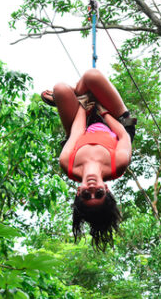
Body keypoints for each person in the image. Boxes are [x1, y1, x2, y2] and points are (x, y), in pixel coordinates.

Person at [41, 69, 136, 250]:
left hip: (83, 125)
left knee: (60, 89)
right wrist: (104, 112)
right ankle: (74, 96)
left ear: (78, 191)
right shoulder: (118, 165)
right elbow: (124, 137)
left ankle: (71, 97)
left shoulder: (67, 164)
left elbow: (77, 133)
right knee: (92, 76)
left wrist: (84, 108)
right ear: (106, 189)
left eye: (87, 194)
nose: (92, 189)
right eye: (98, 194)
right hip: (116, 122)